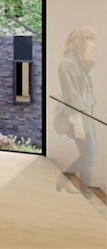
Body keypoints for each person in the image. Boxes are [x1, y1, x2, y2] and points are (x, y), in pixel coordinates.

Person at [55, 26, 97, 195]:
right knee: (89, 157)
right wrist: (78, 124)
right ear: (80, 41)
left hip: (88, 116)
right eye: (90, 40)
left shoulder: (80, 63)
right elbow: (71, 95)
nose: (93, 44)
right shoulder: (67, 65)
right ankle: (86, 194)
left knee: (90, 156)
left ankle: (65, 179)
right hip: (79, 118)